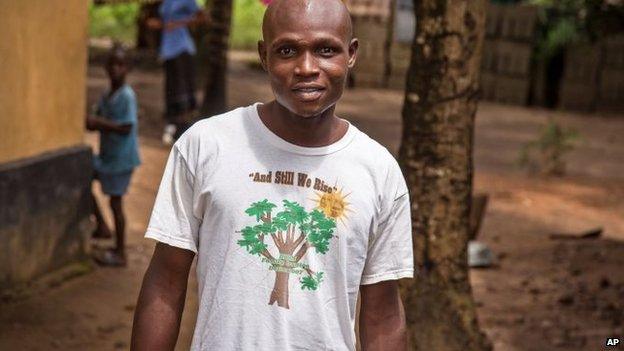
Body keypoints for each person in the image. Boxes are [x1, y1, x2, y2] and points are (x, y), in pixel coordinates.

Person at [131, 0, 413, 349]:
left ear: (351, 54)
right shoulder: (206, 146)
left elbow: (383, 313)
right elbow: (166, 280)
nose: (307, 67)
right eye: (287, 50)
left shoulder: (378, 171)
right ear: (264, 55)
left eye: (326, 50)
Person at [87, 45, 141, 267]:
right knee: (83, 176)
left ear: (127, 68)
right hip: (108, 157)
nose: (115, 69)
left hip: (121, 160)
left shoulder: (127, 96)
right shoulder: (106, 94)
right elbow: (97, 116)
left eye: (120, 65)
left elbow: (126, 127)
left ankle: (121, 253)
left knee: (116, 203)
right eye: (111, 64)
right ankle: (102, 226)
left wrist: (97, 123)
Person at [146, 0, 206, 145]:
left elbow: (202, 17)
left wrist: (179, 24)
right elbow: (164, 22)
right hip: (168, 50)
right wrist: (159, 25)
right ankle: (173, 126)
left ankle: (184, 129)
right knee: (171, 89)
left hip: (182, 49)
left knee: (182, 88)